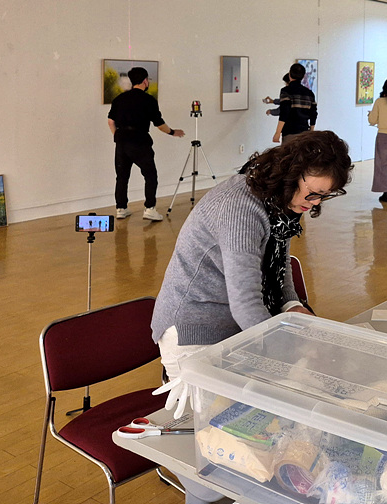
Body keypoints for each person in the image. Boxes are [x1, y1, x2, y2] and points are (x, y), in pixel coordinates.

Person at [150, 131, 352, 504]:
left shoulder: (280, 204)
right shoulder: (241, 209)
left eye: (323, 196)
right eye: (312, 194)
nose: (313, 204)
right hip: (194, 331)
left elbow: (277, 275)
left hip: (235, 330)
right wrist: (291, 352)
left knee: (247, 443)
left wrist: (294, 309)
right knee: (211, 460)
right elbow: (246, 304)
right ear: (291, 174)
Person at [106, 67, 184, 221]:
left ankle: (121, 208)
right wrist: (173, 132)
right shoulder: (149, 100)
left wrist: (119, 137)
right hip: (140, 142)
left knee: (122, 176)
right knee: (150, 175)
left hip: (121, 142)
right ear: (145, 81)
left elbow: (110, 121)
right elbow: (159, 124)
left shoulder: (119, 99)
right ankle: (149, 208)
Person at [273, 63, 317, 143]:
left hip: (290, 132)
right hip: (305, 133)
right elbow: (313, 114)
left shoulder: (286, 91)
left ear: (289, 75)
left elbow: (284, 112)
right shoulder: (310, 93)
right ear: (303, 76)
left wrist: (277, 133)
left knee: (288, 151)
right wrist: (311, 131)